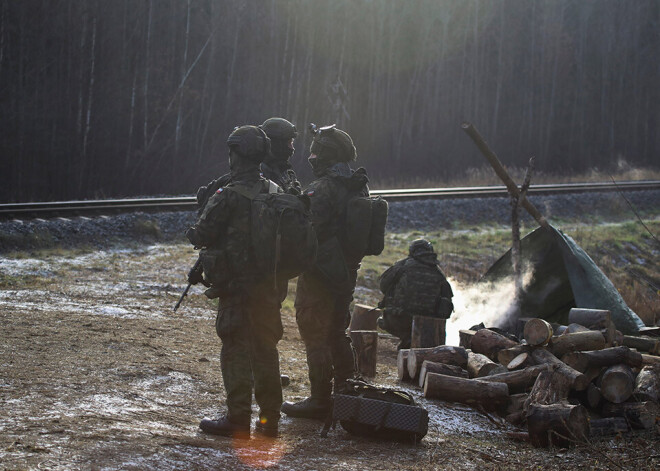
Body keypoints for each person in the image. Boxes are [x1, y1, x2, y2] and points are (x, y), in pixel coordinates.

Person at [185, 125, 284, 438]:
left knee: (236, 349)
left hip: (237, 289)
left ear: (237, 154)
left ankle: (237, 418)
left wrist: (204, 205)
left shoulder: (227, 195)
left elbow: (200, 234)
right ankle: (269, 421)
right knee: (266, 350)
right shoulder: (274, 190)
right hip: (268, 286)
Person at [281, 124, 369, 420]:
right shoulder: (357, 184)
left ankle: (320, 399)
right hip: (346, 270)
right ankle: (347, 391)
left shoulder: (323, 188)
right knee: (336, 332)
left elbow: (309, 231)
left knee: (315, 332)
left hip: (321, 273)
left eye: (316, 152)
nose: (311, 157)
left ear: (328, 155)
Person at [195, 117, 300, 214]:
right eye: (289, 143)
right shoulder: (256, 175)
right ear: (277, 144)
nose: (292, 148)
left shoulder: (285, 174)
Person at [377, 239, 454, 349]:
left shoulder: (402, 266)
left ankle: (407, 339)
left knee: (382, 321)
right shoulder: (439, 273)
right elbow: (447, 305)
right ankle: (410, 340)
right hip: (428, 325)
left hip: (399, 319)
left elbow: (383, 286)